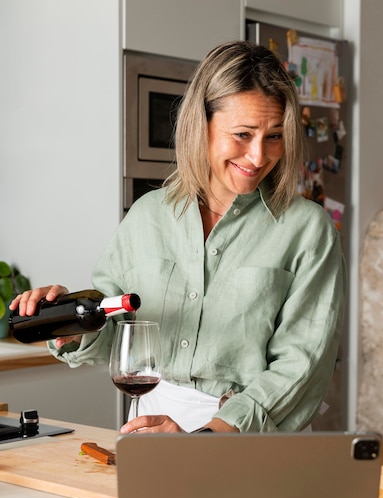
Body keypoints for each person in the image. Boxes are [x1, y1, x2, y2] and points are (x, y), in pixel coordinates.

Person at [10, 40, 346, 435]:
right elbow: (112, 332)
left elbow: (303, 363)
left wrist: (208, 437)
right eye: (242, 134)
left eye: (273, 136)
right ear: (199, 125)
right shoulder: (148, 215)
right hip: (153, 431)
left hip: (252, 438)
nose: (258, 156)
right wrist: (64, 321)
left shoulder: (307, 229)